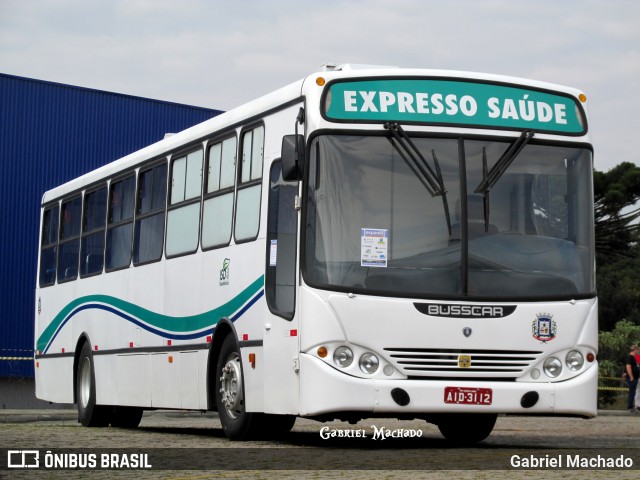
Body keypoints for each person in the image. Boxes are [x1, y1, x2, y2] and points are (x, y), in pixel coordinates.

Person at [625, 344, 640, 412]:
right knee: (632, 392)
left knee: (633, 392)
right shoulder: (630, 357)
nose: (638, 351)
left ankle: (632, 407)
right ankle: (630, 407)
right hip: (632, 378)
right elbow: (628, 367)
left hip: (636, 377)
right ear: (634, 350)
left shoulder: (633, 357)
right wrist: (631, 377)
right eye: (637, 350)